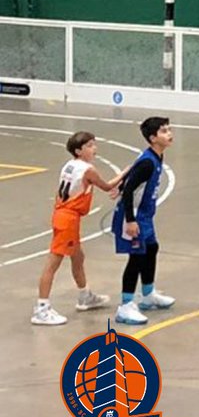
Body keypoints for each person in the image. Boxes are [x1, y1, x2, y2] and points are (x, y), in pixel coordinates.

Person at [31, 132, 127, 326]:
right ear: (79, 150)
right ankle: (41, 308)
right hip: (68, 218)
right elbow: (108, 186)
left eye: (94, 144)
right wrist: (126, 172)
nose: (94, 149)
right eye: (90, 146)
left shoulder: (69, 165)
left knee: (78, 257)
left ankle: (84, 295)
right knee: (53, 263)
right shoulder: (88, 170)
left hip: (64, 215)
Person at [113, 117, 175, 326]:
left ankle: (148, 294)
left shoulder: (156, 157)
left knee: (152, 248)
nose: (169, 133)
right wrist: (130, 220)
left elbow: (132, 175)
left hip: (146, 216)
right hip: (133, 216)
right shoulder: (148, 162)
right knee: (136, 258)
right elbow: (130, 189)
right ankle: (125, 305)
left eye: (169, 130)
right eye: (164, 131)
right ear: (153, 138)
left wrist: (121, 183)